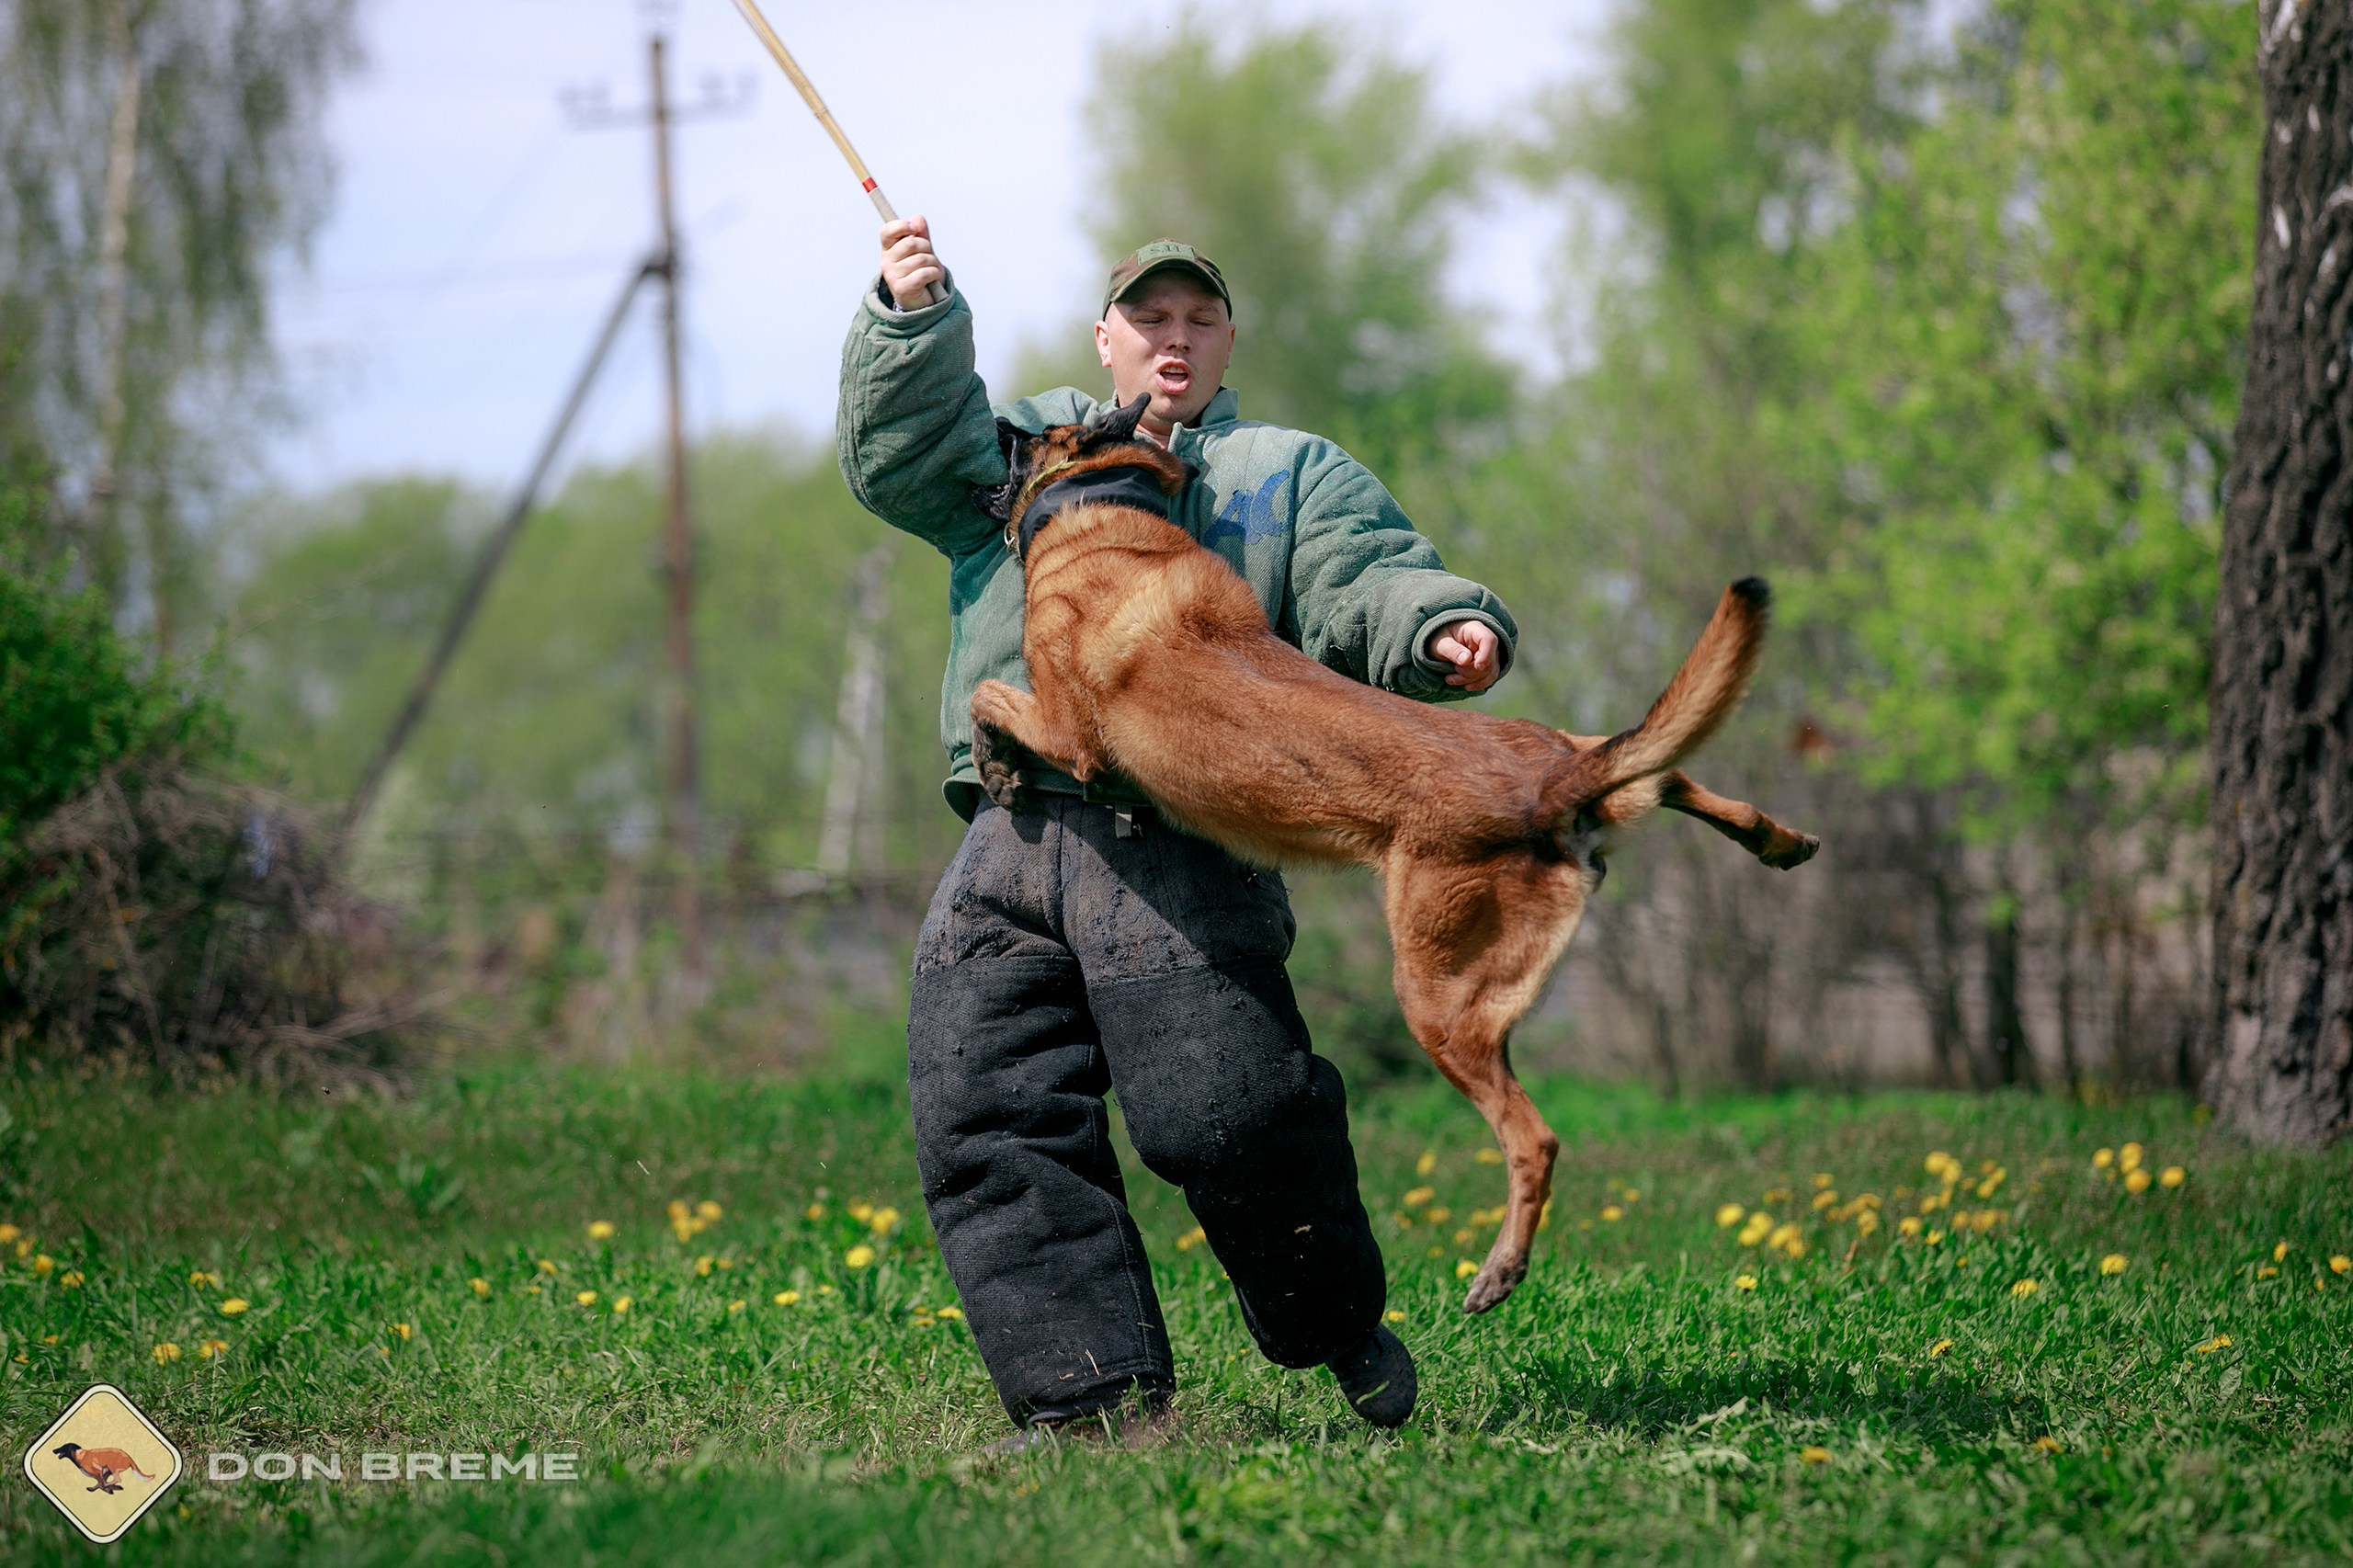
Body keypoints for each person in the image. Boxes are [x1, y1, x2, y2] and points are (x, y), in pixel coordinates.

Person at [836, 216, 1518, 1451]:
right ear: (1108, 337)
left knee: (1229, 1113)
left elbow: (1366, 576)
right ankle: (1088, 1407)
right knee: (986, 1108)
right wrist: (911, 319)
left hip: (1184, 839)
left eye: (1197, 318)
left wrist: (1440, 626)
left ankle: (1336, 1323)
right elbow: (901, 455)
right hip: (1014, 820)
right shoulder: (1028, 452)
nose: (1173, 339)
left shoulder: (1281, 469)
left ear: (1226, 338)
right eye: (1149, 318)